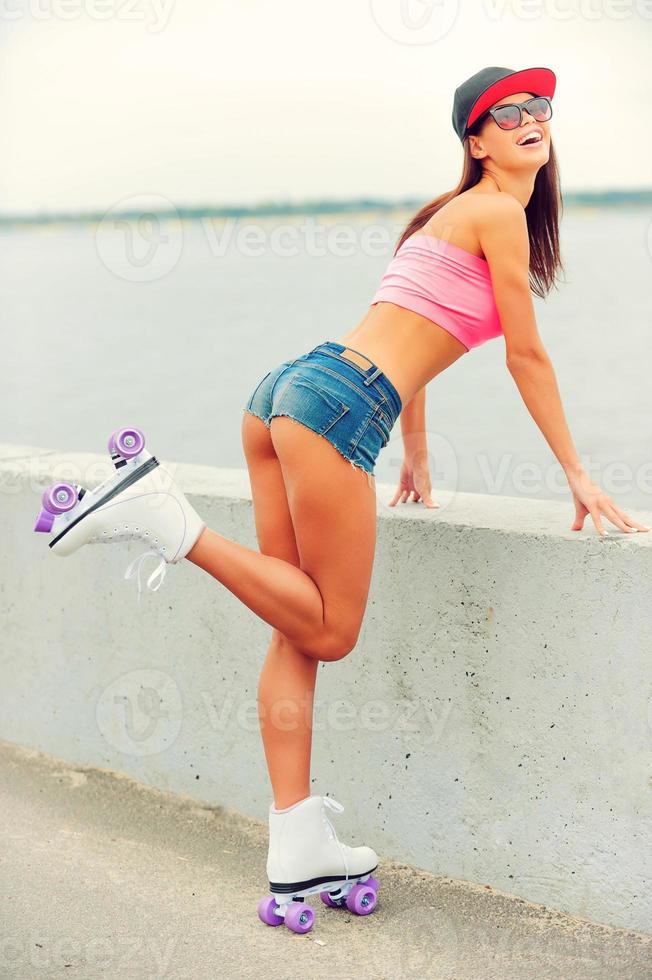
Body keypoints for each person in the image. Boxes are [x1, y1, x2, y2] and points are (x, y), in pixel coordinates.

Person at [34, 65, 649, 934]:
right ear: (475, 141)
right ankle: (168, 521)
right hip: (335, 406)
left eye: (539, 107)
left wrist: (418, 457)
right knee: (333, 626)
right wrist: (578, 475)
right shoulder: (499, 212)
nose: (529, 119)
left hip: (289, 389)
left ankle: (296, 842)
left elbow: (417, 333)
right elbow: (525, 355)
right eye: (505, 112)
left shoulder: (440, 218)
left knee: (296, 626)